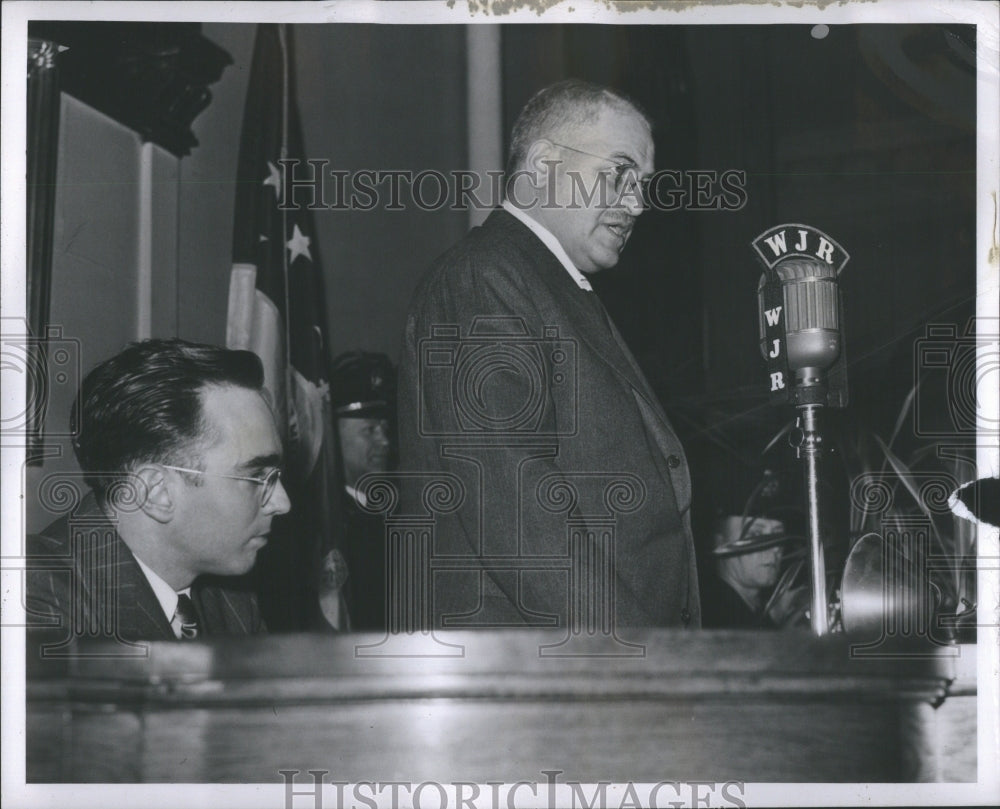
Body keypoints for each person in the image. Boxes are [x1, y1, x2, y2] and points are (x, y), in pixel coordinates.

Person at [399, 79, 700, 632]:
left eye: (643, 184)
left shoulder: (544, 283)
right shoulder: (483, 277)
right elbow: (514, 501)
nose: (637, 202)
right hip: (557, 675)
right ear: (543, 165)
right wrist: (634, 664)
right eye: (619, 172)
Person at [26, 339, 291, 642]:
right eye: (257, 476)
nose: (283, 503)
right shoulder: (32, 597)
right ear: (156, 492)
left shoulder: (233, 601)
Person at [323, 351, 396, 632]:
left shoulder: (402, 509)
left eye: (385, 428)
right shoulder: (321, 527)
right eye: (370, 430)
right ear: (333, 435)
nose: (385, 441)